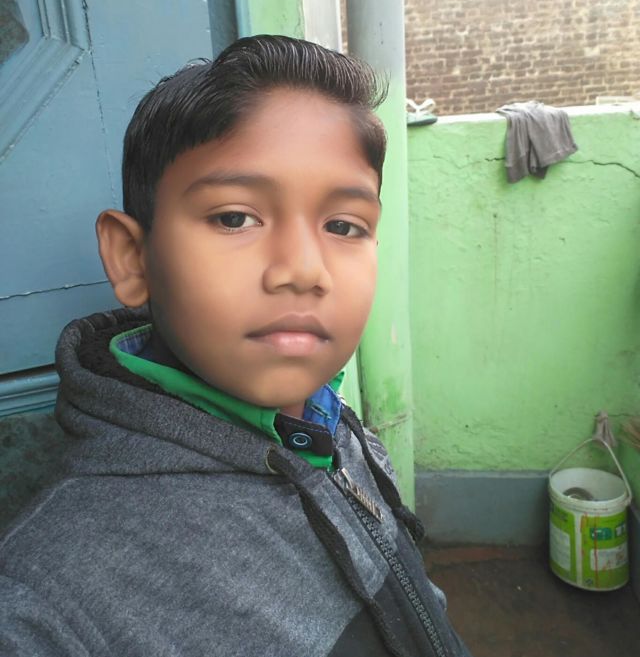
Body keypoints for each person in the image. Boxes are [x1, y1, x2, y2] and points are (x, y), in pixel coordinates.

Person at [0, 36, 471, 657]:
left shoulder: (330, 425)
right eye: (234, 218)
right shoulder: (49, 601)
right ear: (133, 258)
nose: (303, 270)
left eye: (343, 226)